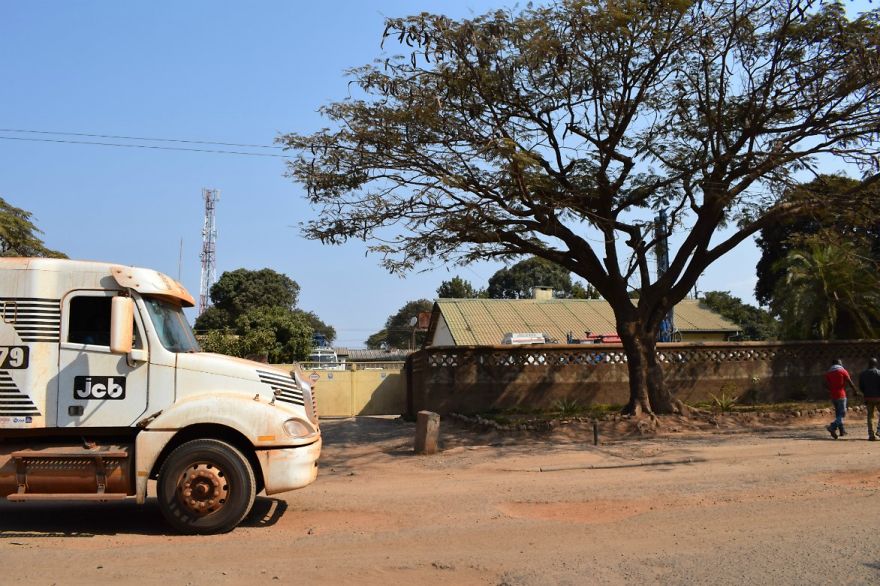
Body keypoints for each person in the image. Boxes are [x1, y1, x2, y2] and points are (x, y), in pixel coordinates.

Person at [825, 359, 856, 439]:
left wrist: (832, 390)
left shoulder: (829, 373)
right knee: (842, 414)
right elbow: (850, 382)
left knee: (838, 414)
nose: (842, 364)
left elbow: (825, 385)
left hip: (833, 396)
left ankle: (842, 431)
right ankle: (832, 427)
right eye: (841, 363)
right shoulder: (842, 371)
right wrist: (855, 391)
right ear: (838, 363)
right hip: (841, 395)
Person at [859, 357, 880, 441]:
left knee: (870, 416)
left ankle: (871, 435)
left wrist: (865, 393)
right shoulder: (879, 373)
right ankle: (879, 431)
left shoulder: (863, 374)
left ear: (869, 364)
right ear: (876, 364)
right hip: (878, 397)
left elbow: (861, 387)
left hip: (868, 397)